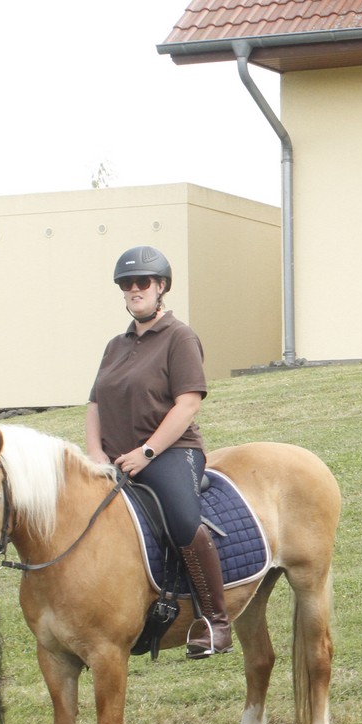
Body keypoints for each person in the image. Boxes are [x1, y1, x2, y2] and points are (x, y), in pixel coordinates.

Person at [86, 245, 230, 657]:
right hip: (113, 458)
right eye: (126, 283)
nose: (134, 289)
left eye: (142, 282)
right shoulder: (115, 346)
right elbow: (95, 404)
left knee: (183, 520)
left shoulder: (180, 337)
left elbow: (188, 403)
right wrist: (95, 452)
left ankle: (216, 622)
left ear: (161, 286)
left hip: (170, 452)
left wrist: (146, 453)